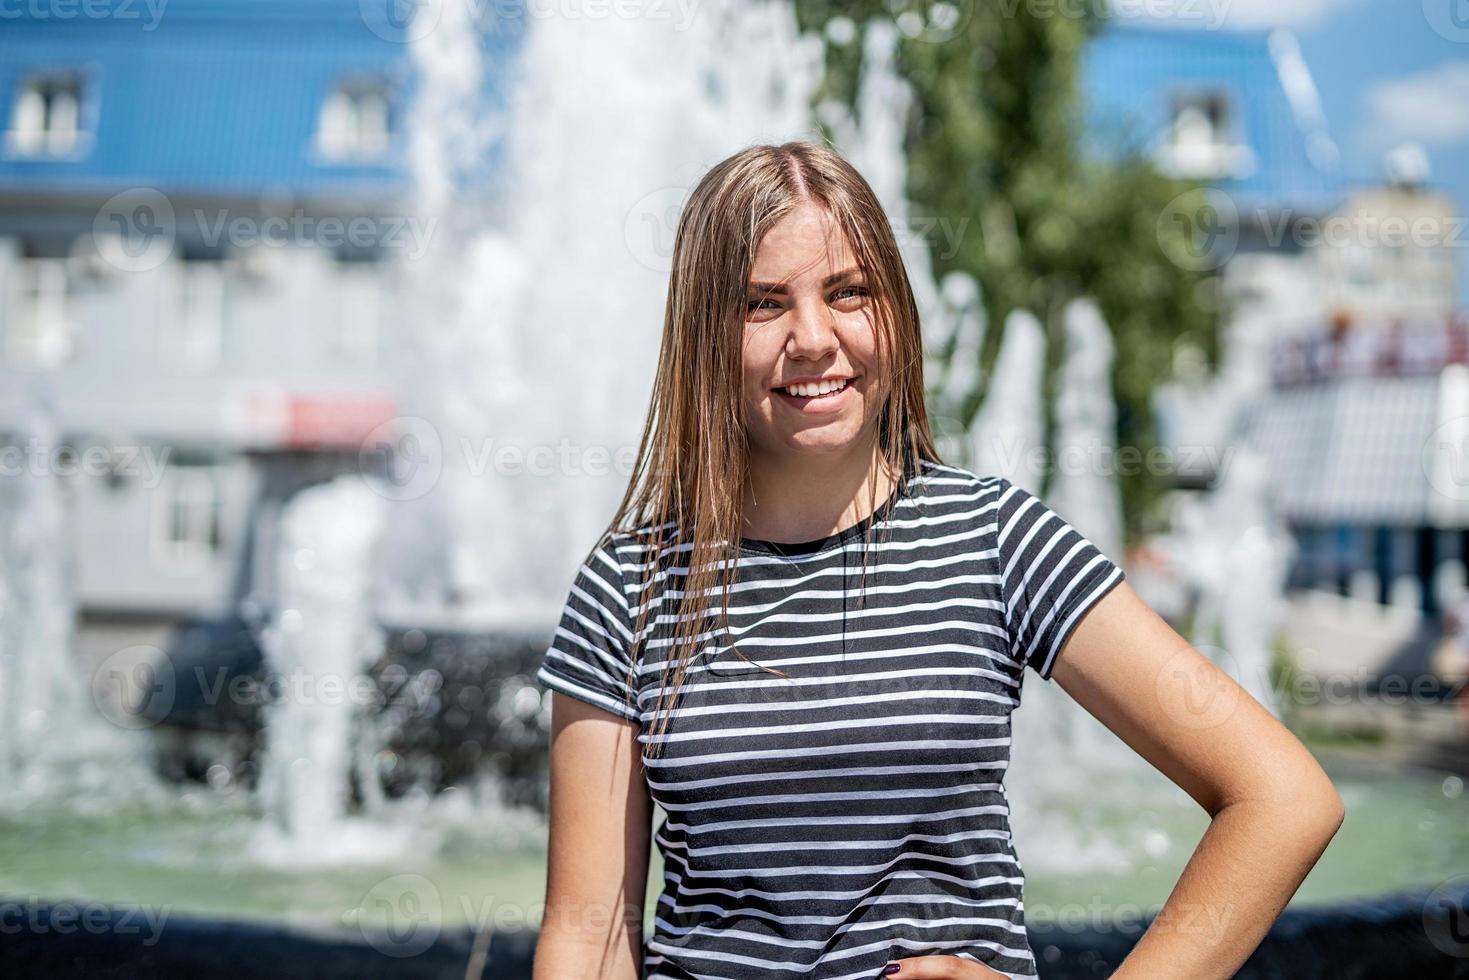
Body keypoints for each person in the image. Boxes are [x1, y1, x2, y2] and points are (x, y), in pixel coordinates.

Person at [531, 140, 1345, 980]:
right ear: (703, 335)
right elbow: (589, 938)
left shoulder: (996, 540)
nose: (812, 338)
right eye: (761, 304)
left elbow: (1281, 797)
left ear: (894, 309)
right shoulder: (628, 587)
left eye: (847, 292)